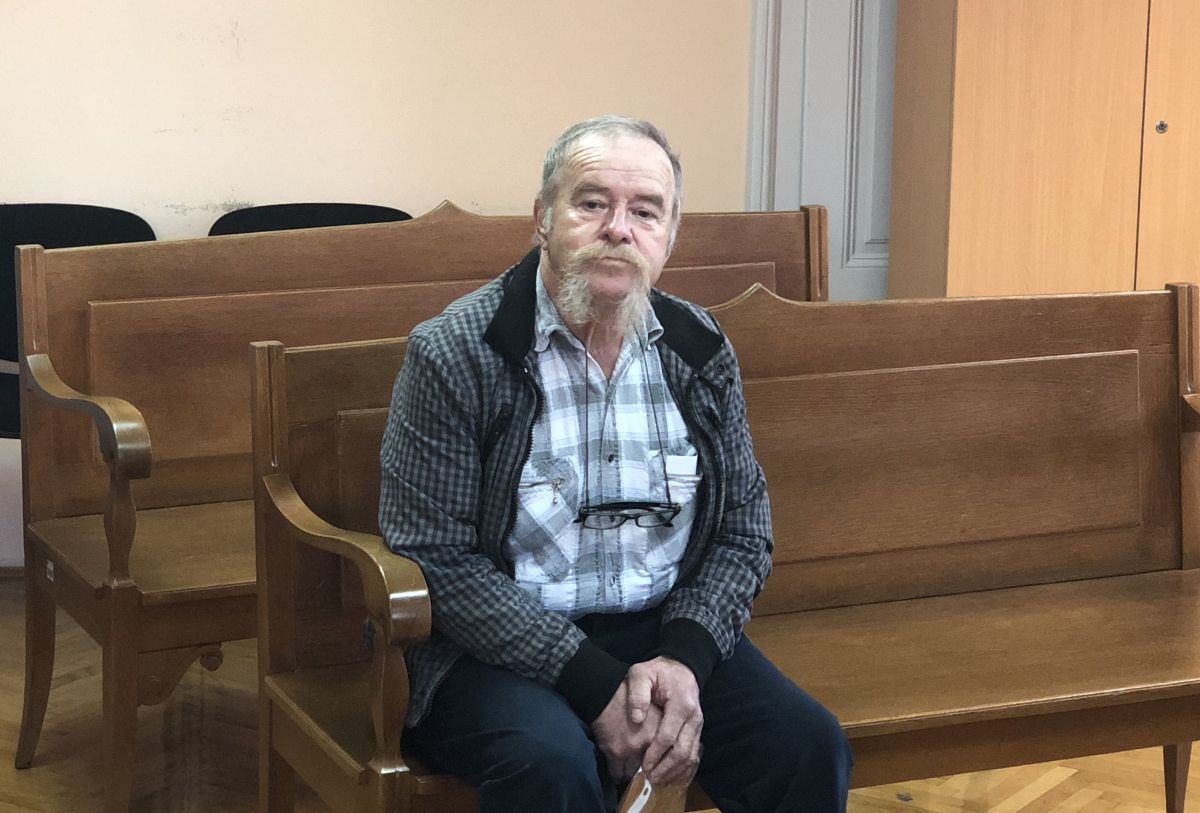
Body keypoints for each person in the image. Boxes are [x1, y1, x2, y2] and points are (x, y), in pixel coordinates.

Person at [379, 115, 853, 812]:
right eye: (592, 203)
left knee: (806, 745)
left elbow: (742, 530)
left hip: (662, 628)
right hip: (494, 645)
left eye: (645, 211)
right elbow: (436, 559)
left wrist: (684, 660)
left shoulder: (698, 349)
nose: (618, 229)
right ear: (543, 219)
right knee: (550, 764)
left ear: (669, 235)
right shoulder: (456, 353)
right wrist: (593, 683)